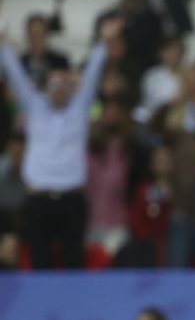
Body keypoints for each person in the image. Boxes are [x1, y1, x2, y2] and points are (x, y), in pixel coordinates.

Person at [0, 17, 121, 269]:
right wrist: (2, 44)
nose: (58, 89)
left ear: (70, 87)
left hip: (72, 199)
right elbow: (16, 74)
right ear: (45, 87)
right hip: (38, 199)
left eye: (63, 84)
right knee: (40, 262)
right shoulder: (35, 107)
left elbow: (93, 74)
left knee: (74, 262)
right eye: (53, 84)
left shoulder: (79, 110)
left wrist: (104, 40)